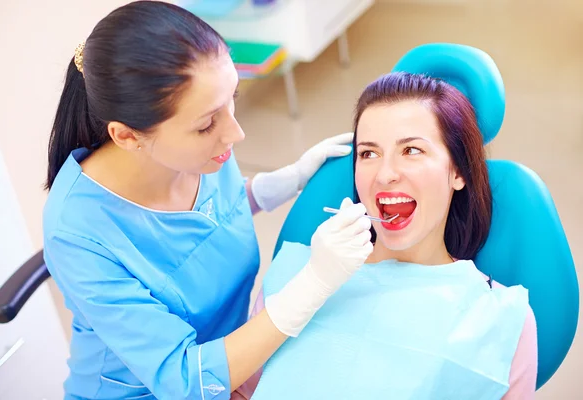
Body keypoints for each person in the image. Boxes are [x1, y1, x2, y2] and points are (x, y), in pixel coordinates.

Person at [42, 1, 375, 399]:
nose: (235, 134)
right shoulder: (79, 235)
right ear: (128, 136)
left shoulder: (200, 149)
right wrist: (314, 284)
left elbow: (210, 219)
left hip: (237, 357)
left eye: (232, 98)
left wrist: (282, 183)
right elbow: (183, 378)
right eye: (206, 124)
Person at [242, 72, 538, 399]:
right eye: (368, 153)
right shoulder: (297, 273)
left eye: (411, 150)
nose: (385, 175)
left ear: (458, 171)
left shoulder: (501, 321)